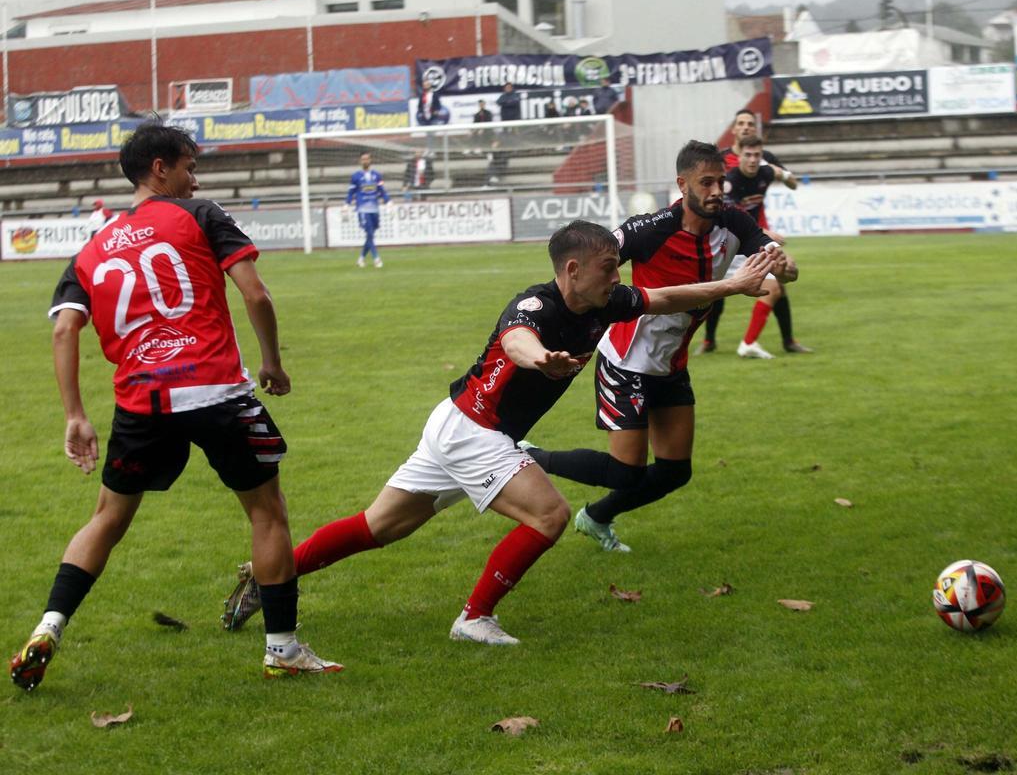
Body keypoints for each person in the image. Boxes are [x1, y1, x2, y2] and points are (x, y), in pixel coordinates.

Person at [219, 220, 781, 645]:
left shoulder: (607, 300)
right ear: (572, 271)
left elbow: (663, 297)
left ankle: (270, 573)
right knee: (550, 515)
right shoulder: (535, 305)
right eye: (609, 266)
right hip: (476, 432)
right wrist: (543, 360)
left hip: (455, 421)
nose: (619, 274)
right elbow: (517, 341)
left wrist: (731, 287)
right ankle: (475, 618)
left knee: (379, 528)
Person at [8, 121, 340, 693]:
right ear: (159, 167)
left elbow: (66, 330)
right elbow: (255, 293)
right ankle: (282, 651)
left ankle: (48, 627)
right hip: (215, 390)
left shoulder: (92, 248)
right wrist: (272, 363)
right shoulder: (201, 215)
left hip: (141, 402)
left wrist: (75, 415)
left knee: (107, 519)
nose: (195, 178)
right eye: (189, 166)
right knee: (266, 512)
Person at [520, 141, 798, 553]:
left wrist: (784, 265)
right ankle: (530, 456)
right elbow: (596, 254)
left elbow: (783, 264)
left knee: (674, 472)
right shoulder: (650, 228)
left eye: (721, 180)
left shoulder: (734, 222)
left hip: (672, 363)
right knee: (624, 471)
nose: (717, 190)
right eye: (707, 182)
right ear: (682, 184)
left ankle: (595, 518)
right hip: (626, 361)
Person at [702, 110, 812, 355]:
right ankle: (710, 340)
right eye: (741, 123)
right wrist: (765, 232)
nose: (746, 127)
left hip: (753, 238)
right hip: (729, 237)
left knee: (778, 286)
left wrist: (785, 176)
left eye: (750, 123)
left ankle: (779, 341)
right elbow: (728, 212)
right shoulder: (727, 172)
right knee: (713, 292)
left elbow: (790, 180)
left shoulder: (765, 166)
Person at [720, 135, 792, 360]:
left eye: (757, 156)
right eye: (748, 155)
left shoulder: (766, 173)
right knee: (704, 298)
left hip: (750, 244)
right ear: (738, 155)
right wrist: (767, 234)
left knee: (776, 287)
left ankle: (749, 343)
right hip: (730, 245)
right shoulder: (730, 181)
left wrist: (790, 178)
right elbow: (730, 218)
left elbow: (785, 176)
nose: (752, 160)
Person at [345, 152, 390, 268]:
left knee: (370, 236)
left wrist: (388, 201)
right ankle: (377, 259)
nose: (365, 161)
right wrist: (346, 204)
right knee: (369, 233)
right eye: (363, 159)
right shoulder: (356, 177)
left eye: (367, 159)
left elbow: (382, 190)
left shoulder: (377, 175)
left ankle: (361, 259)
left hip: (374, 209)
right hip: (362, 209)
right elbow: (351, 192)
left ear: (370, 160)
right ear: (360, 161)